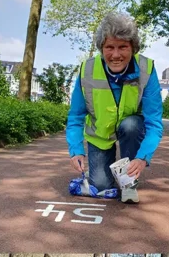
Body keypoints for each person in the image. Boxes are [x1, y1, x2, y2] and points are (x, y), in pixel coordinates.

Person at [66, 11, 163, 204]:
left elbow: (154, 123)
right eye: (109, 47)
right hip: (99, 135)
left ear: (133, 48)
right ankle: (101, 180)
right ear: (102, 48)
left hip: (130, 128)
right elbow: (76, 116)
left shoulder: (147, 69)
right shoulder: (87, 70)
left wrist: (142, 157)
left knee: (132, 124)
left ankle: (128, 183)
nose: (116, 55)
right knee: (102, 187)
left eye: (123, 47)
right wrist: (76, 149)